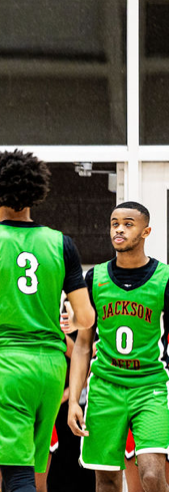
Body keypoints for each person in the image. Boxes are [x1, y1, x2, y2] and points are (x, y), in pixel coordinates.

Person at [0, 150, 95, 492]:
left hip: (9, 366)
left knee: (15, 477)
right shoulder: (61, 243)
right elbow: (86, 317)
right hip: (51, 369)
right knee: (36, 470)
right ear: (35, 194)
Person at [67, 202, 169, 492]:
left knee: (151, 473)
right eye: (114, 223)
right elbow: (83, 345)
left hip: (149, 387)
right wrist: (75, 399)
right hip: (104, 388)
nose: (119, 229)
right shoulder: (95, 278)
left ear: (146, 231)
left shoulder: (164, 278)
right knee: (107, 481)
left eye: (128, 223)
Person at [0, 330, 75, 492]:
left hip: (38, 412)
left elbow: (81, 356)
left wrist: (63, 396)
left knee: (37, 486)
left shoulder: (47, 325)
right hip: (5, 414)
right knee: (10, 485)